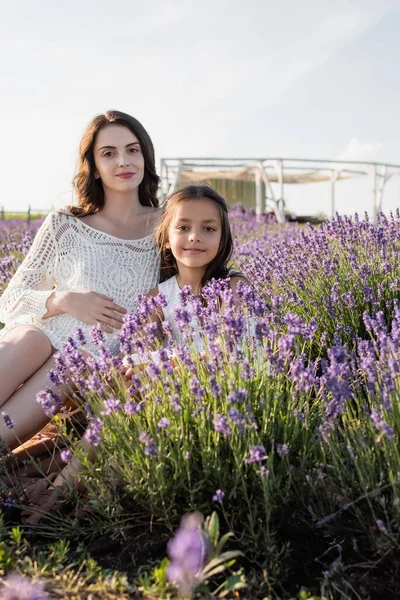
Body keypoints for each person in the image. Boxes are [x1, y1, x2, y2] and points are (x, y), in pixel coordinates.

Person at [0, 110, 161, 455]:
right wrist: (63, 300)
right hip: (42, 332)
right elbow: (10, 298)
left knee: (70, 362)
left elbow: (211, 263)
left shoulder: (165, 226)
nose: (123, 161)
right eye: (109, 153)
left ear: (145, 156)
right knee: (30, 338)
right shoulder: (66, 224)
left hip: (94, 357)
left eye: (133, 150)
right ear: (94, 165)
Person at [122, 184, 246, 380]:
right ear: (166, 239)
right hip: (178, 386)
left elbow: (226, 347)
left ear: (222, 239)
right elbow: (137, 353)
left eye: (208, 228)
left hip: (229, 384)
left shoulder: (233, 287)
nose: (195, 237)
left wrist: (171, 365)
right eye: (183, 228)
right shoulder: (158, 297)